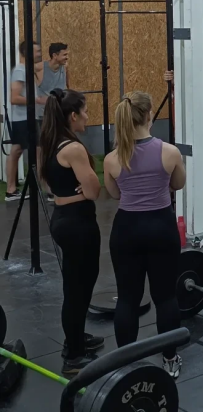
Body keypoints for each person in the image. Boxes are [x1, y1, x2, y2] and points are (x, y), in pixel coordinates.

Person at [103, 91, 186, 379]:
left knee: (127, 298)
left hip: (127, 230)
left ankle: (125, 366)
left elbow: (115, 194)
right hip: (161, 227)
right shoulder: (170, 152)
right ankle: (170, 360)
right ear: (149, 114)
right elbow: (178, 184)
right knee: (165, 297)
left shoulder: (112, 158)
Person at [40, 89, 103, 373]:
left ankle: (75, 337)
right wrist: (86, 186)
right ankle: (74, 357)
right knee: (78, 289)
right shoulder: (73, 149)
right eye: (85, 111)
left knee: (76, 286)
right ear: (73, 116)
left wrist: (79, 187)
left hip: (64, 218)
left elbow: (54, 185)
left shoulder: (50, 143)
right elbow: (94, 191)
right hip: (78, 223)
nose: (88, 116)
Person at [6, 41, 47, 201]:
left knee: (17, 150)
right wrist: (37, 100)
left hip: (27, 118)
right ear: (26, 53)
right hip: (23, 119)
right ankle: (43, 188)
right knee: (37, 151)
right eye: (37, 51)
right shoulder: (20, 71)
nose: (39, 54)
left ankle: (12, 190)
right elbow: (14, 98)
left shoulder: (26, 70)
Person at [38, 42, 70, 198]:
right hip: (43, 116)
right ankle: (46, 187)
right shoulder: (40, 69)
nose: (67, 57)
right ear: (54, 55)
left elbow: (67, 88)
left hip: (59, 114)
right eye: (64, 54)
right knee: (44, 151)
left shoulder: (65, 68)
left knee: (61, 148)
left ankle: (61, 183)